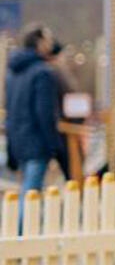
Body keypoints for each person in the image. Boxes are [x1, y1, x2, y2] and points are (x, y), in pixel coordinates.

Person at [5, 24, 68, 232]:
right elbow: (45, 114)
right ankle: (20, 236)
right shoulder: (42, 73)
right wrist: (54, 146)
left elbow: (10, 110)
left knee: (28, 190)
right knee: (30, 193)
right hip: (36, 141)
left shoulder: (13, 73)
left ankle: (22, 232)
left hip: (19, 140)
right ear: (40, 43)